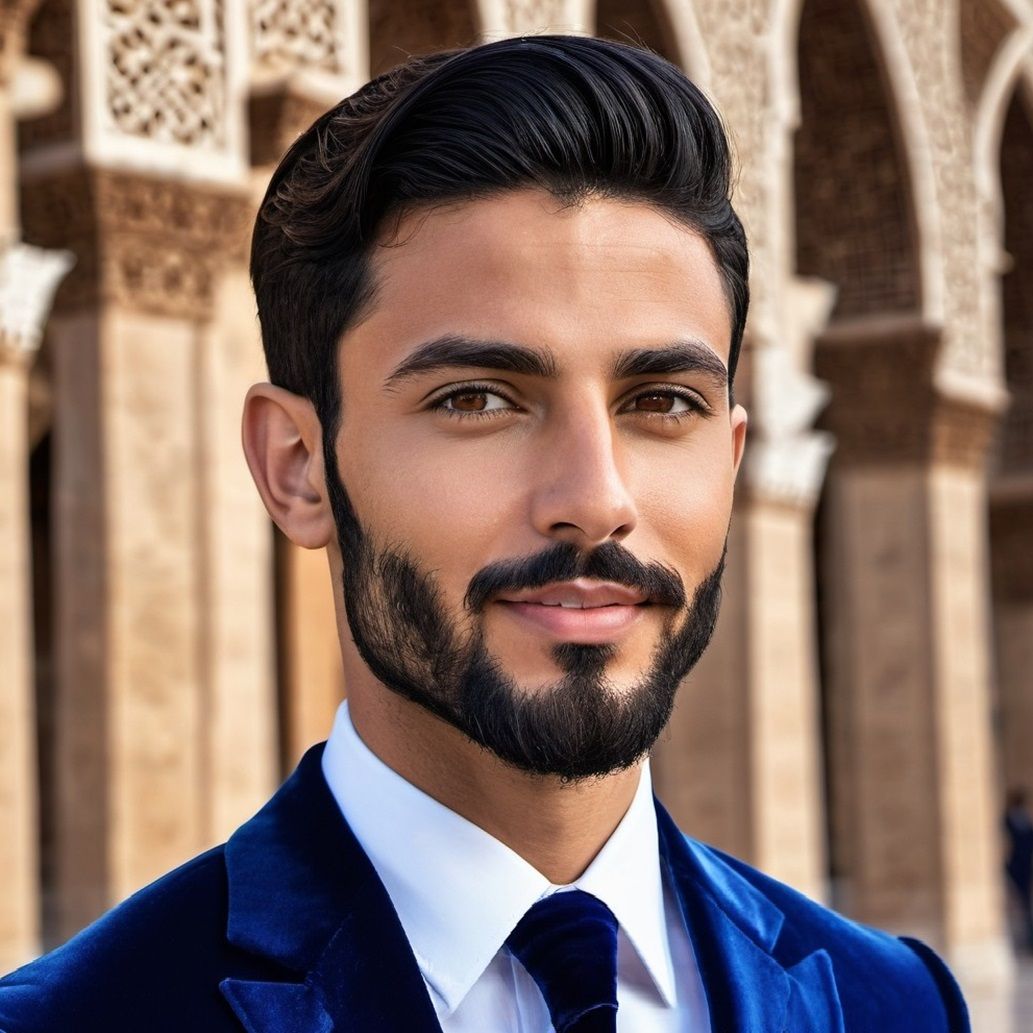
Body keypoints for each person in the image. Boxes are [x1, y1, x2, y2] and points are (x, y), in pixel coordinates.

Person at [0, 34, 969, 1033]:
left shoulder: (889, 1003)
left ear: (730, 459)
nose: (595, 498)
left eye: (661, 401)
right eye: (479, 399)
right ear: (297, 466)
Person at [1005, 787, 1033, 951]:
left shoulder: (1024, 819)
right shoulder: (1008, 819)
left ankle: (1029, 939)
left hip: (1025, 866)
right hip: (1013, 867)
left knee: (1026, 903)